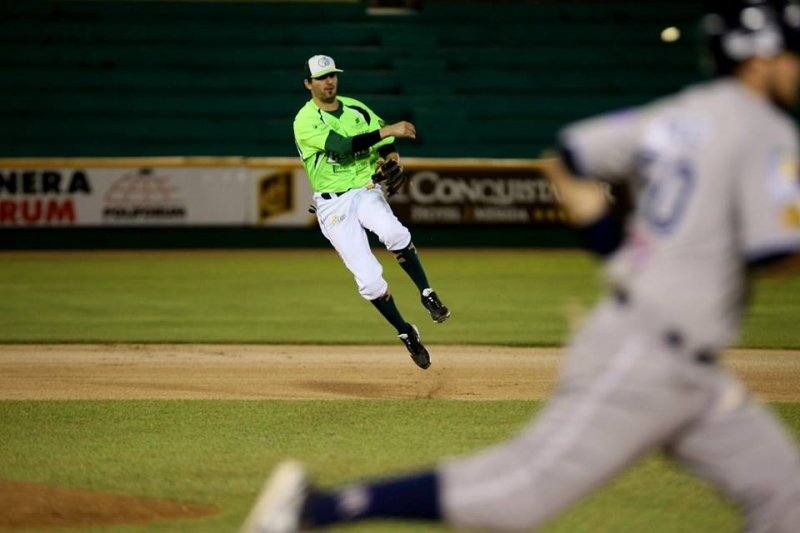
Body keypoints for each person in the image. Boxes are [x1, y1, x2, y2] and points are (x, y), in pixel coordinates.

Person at [242, 2, 800, 531]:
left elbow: (569, 157)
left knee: (788, 496)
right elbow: (776, 255)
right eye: (792, 51)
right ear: (761, 56)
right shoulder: (770, 133)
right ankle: (320, 508)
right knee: (519, 494)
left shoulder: (680, 114)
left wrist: (618, 257)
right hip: (650, 351)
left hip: (684, 358)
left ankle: (424, 300)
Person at [292, 54, 450, 370]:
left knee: (394, 232)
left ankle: (428, 293)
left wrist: (393, 159)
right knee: (370, 282)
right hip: (332, 203)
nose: (329, 81)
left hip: (365, 189)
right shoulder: (304, 121)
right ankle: (407, 332)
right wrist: (387, 130)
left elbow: (385, 144)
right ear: (309, 83)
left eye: (332, 75)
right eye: (322, 77)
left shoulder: (356, 108)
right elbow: (340, 145)